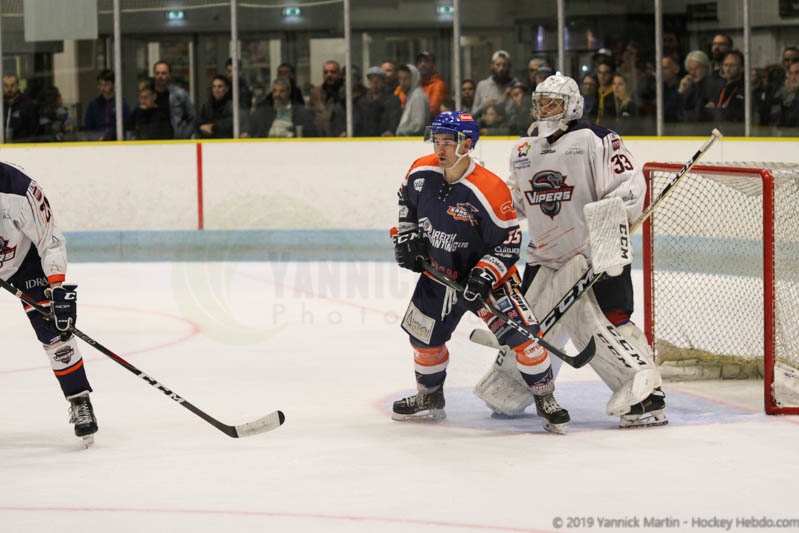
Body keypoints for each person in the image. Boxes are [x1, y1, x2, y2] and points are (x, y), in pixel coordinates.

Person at [475, 74, 667, 430]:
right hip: (544, 255)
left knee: (607, 320)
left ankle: (646, 394)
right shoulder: (524, 150)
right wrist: (487, 199)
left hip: (593, 252)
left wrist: (611, 227)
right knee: (533, 326)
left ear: (573, 106)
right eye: (540, 102)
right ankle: (513, 386)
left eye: (553, 103)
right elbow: (517, 201)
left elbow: (627, 187)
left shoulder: (596, 139)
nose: (545, 109)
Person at [390, 111, 568, 434]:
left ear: (467, 144)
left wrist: (483, 275)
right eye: (437, 140)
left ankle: (545, 399)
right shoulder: (421, 171)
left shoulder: (490, 189)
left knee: (527, 339)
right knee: (423, 339)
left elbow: (509, 244)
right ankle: (430, 396)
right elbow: (406, 201)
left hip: (488, 280)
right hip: (439, 274)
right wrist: (407, 235)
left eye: (448, 142)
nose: (440, 148)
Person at [0, 162, 98, 442]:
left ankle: (79, 398)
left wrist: (56, 289)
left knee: (54, 328)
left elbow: (50, 241)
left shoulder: (19, 189)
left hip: (24, 260)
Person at [244, 78, 316, 138]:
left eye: (282, 91)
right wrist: (246, 134)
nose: (277, 94)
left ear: (289, 92)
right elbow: (250, 129)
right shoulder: (263, 111)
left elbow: (311, 134)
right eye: (275, 91)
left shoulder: (301, 112)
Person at [152, 60, 197, 139]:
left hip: (174, 141)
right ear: (154, 75)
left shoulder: (180, 94)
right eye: (157, 73)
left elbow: (193, 118)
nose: (160, 76)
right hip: (151, 142)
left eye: (163, 73)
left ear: (170, 75)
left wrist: (184, 136)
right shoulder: (147, 95)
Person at [84, 69, 130, 141]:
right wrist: (97, 138)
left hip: (117, 142)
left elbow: (127, 128)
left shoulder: (122, 104)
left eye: (106, 84)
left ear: (113, 85)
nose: (102, 88)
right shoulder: (93, 105)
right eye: (100, 84)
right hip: (97, 142)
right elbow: (88, 130)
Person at [472, 50, 519, 118]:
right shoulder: (482, 85)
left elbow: (517, 114)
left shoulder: (516, 86)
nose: (501, 68)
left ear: (509, 67)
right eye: (498, 65)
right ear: (492, 66)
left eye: (504, 65)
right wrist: (484, 106)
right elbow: (473, 114)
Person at [308, 60, 345, 137]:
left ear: (339, 74)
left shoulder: (345, 93)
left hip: (340, 137)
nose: (329, 75)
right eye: (326, 72)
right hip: (319, 137)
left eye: (333, 72)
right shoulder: (315, 92)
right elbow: (309, 115)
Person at [3, 73, 40, 142]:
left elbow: (34, 131)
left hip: (22, 146)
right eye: (6, 85)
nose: (9, 89)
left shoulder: (28, 105)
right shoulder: (1, 105)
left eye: (12, 85)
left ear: (18, 86)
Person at [395, 64, 429, 136]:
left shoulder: (417, 96)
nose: (402, 82)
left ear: (414, 78)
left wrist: (400, 132)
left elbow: (418, 125)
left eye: (406, 78)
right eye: (400, 78)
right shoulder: (411, 95)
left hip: (414, 140)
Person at [415, 51, 448, 118]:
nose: (422, 64)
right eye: (420, 61)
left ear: (434, 65)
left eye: (426, 61)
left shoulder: (439, 85)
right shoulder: (414, 84)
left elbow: (432, 110)